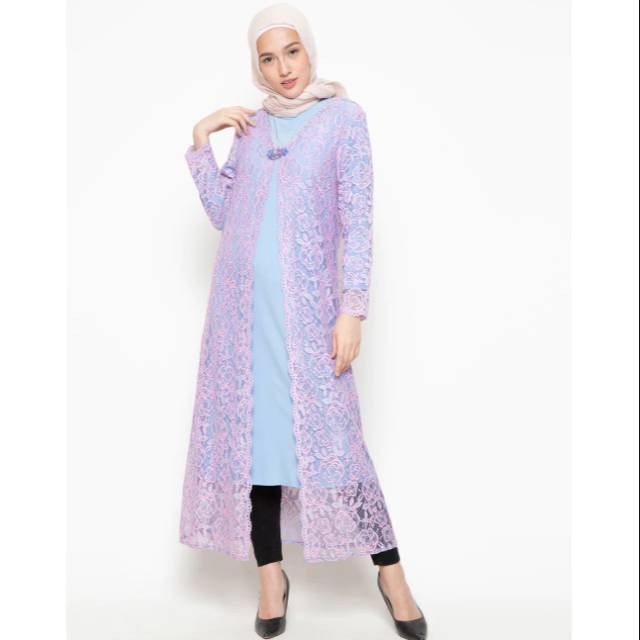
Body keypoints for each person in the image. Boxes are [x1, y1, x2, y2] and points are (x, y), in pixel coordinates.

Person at [180, 3, 427, 638]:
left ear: (309, 51)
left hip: (310, 317)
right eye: (267, 58)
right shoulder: (251, 127)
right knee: (257, 449)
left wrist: (352, 310)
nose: (283, 68)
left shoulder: (343, 119)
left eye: (291, 51)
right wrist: (201, 141)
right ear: (256, 67)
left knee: (339, 446)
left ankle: (391, 574)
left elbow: (358, 219)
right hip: (240, 320)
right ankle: (271, 579)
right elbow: (225, 213)